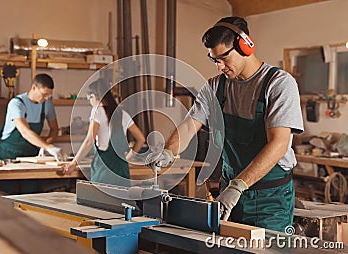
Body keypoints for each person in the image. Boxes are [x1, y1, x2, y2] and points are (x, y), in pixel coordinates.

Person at [155, 16, 304, 232]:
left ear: (245, 45)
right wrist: (168, 152)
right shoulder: (215, 87)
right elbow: (190, 125)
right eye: (214, 60)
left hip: (270, 200)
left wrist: (239, 185)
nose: (219, 67)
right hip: (229, 195)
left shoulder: (279, 83)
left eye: (224, 58)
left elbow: (279, 144)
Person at [63, 78, 145, 187]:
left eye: (89, 98)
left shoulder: (97, 111)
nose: (90, 102)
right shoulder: (122, 114)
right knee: (122, 203)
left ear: (94, 96)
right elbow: (141, 139)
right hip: (122, 171)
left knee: (100, 202)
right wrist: (127, 159)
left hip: (104, 171)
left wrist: (73, 163)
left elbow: (89, 140)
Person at [0, 73, 66, 161]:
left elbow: (54, 129)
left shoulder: (47, 104)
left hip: (31, 155)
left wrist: (44, 146)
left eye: (49, 95)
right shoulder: (17, 103)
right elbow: (24, 131)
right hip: (9, 154)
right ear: (34, 87)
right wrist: (48, 147)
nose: (47, 98)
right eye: (44, 94)